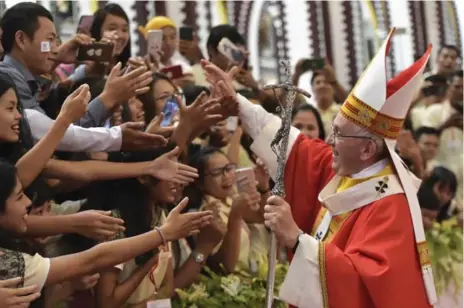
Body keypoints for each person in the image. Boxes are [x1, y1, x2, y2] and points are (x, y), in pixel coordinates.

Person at [202, 28, 437, 307]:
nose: (329, 140)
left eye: (338, 134)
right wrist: (237, 103)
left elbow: (363, 286)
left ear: (367, 149)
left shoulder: (389, 204)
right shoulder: (350, 169)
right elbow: (292, 143)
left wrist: (297, 239)